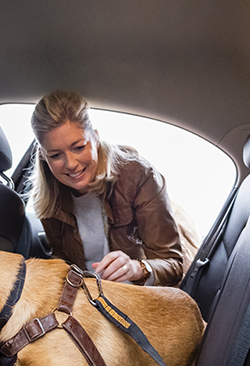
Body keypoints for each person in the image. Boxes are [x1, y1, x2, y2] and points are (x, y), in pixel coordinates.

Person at [27, 90, 185, 286]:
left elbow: (173, 265)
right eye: (56, 155)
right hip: (86, 301)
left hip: (138, 297)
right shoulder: (47, 198)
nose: (71, 164)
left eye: (78, 147)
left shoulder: (138, 175)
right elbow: (61, 259)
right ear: (43, 154)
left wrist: (136, 269)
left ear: (95, 137)